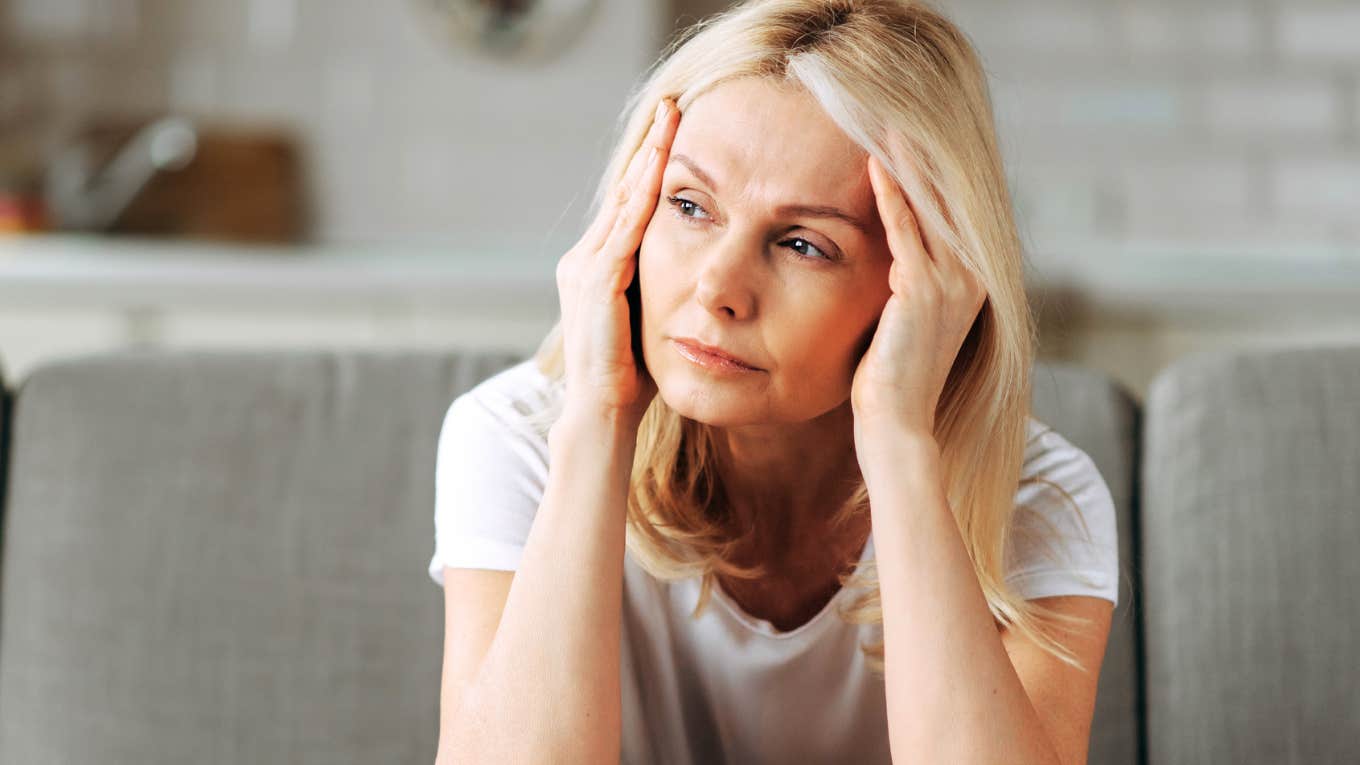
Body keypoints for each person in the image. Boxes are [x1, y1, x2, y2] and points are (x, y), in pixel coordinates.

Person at [430, 1, 1121, 763]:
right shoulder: (518, 439)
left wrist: (898, 442)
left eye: (802, 243)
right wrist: (598, 418)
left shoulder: (1038, 502)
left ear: (929, 279)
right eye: (689, 205)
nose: (718, 287)